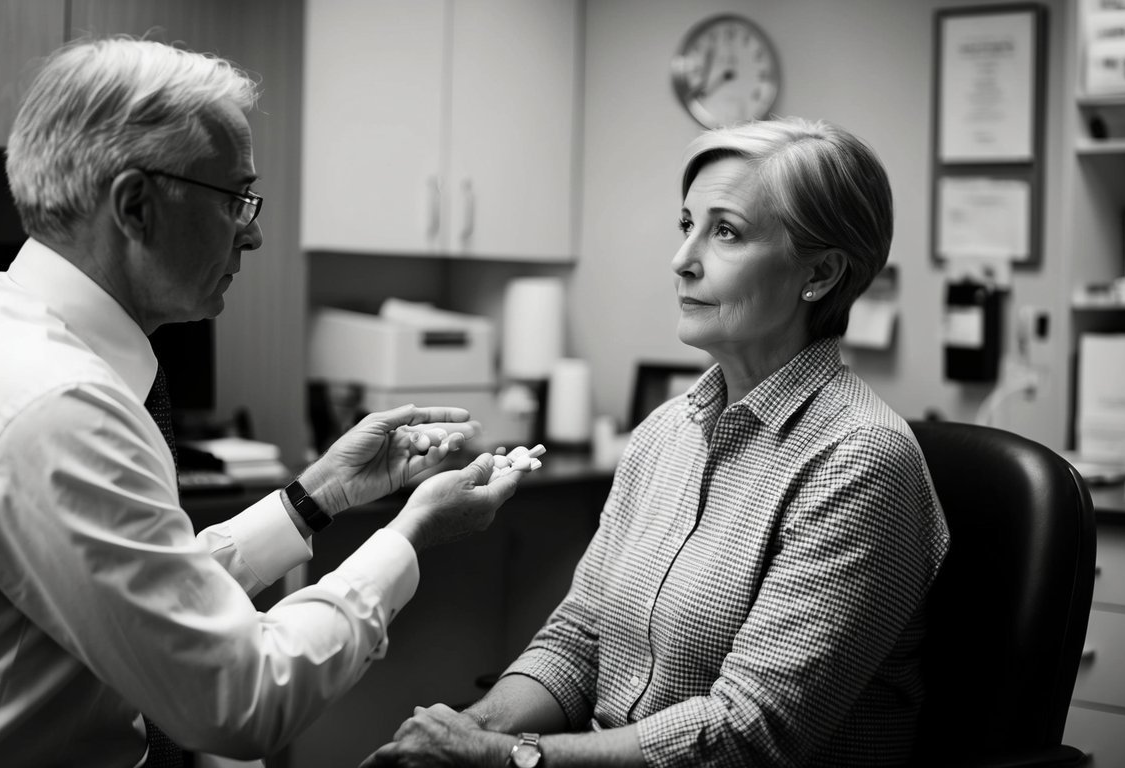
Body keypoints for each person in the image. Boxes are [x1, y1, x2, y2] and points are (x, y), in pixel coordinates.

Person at [0, 37, 534, 767]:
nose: (256, 232)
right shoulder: (57, 405)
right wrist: (409, 534)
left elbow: (139, 588)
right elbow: (240, 701)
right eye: (234, 198)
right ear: (137, 206)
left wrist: (317, 496)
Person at [362, 117, 951, 767]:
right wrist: (464, 733)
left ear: (819, 274)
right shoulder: (664, 433)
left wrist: (500, 757)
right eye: (685, 225)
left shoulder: (859, 461)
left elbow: (745, 735)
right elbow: (579, 638)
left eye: (724, 231)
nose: (681, 259)